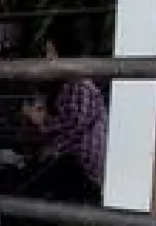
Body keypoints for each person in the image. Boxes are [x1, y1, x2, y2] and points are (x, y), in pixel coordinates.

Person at [21, 24, 107, 201]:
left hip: (86, 169)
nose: (48, 59)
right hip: (78, 164)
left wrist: (43, 121)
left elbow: (74, 127)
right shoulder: (70, 85)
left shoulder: (80, 85)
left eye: (51, 52)